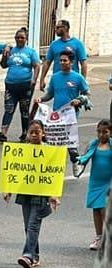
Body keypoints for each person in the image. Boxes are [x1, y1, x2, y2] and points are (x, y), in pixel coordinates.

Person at [2, 120, 60, 268]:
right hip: (26, 193)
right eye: (31, 132)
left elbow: (54, 175)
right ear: (27, 134)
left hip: (41, 195)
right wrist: (8, 190)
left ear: (43, 133)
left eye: (37, 132)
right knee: (28, 226)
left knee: (33, 225)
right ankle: (35, 256)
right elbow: (15, 171)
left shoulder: (49, 151)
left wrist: (53, 195)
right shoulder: (22, 151)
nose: (34, 135)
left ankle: (27, 255)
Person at [35, 49, 89, 173]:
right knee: (54, 140)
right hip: (56, 114)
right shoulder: (55, 77)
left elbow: (87, 93)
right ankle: (52, 168)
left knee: (69, 141)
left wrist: (80, 100)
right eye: (60, 61)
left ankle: (76, 163)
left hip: (71, 114)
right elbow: (50, 94)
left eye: (65, 60)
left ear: (71, 62)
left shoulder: (78, 77)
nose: (62, 63)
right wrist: (41, 99)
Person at [0, 28, 40, 143]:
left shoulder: (31, 52)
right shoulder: (11, 50)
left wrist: (34, 79)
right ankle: (3, 133)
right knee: (9, 109)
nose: (20, 39)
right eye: (18, 37)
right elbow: (3, 65)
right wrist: (5, 55)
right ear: (15, 38)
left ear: (26, 39)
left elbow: (37, 66)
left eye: (22, 37)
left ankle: (25, 133)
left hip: (25, 85)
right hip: (11, 85)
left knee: (24, 110)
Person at [78, 120, 112, 251]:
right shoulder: (94, 144)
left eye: (105, 132)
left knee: (105, 210)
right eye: (99, 132)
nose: (101, 135)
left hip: (109, 183)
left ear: (111, 132)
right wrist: (79, 160)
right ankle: (99, 237)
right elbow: (85, 157)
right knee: (96, 210)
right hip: (95, 183)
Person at [38, 19, 88, 92]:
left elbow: (83, 63)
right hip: (58, 80)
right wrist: (42, 79)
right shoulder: (54, 44)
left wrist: (83, 81)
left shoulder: (77, 43)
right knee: (59, 99)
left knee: (72, 101)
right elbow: (47, 62)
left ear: (65, 28)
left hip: (72, 80)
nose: (55, 29)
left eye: (58, 27)